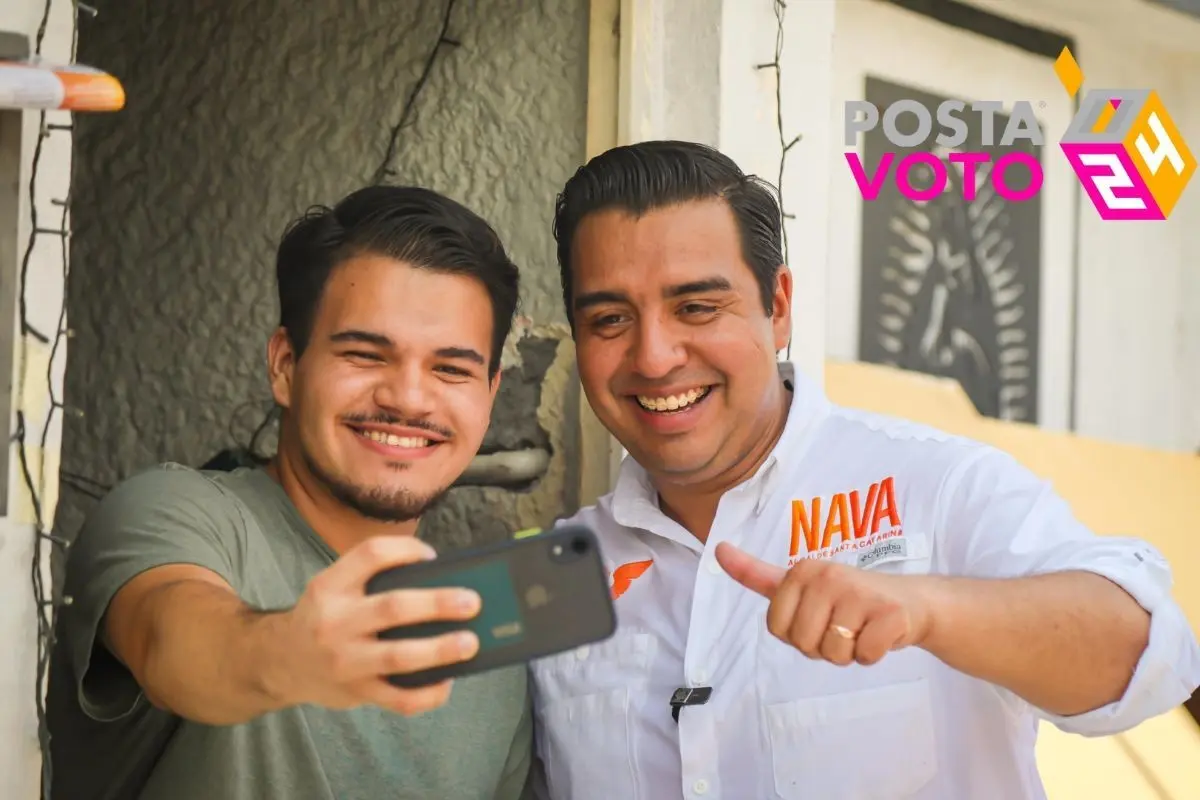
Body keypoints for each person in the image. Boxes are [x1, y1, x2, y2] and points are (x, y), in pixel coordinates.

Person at [531, 140, 1200, 800]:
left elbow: (1149, 659)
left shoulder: (935, 490)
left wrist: (928, 609)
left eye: (697, 307)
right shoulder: (553, 578)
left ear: (779, 306)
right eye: (611, 319)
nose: (654, 357)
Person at [47, 185, 533, 800]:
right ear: (285, 365)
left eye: (451, 369)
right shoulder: (175, 515)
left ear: (489, 396)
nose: (408, 398)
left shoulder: (491, 642)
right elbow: (174, 640)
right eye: (365, 353)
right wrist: (291, 654)